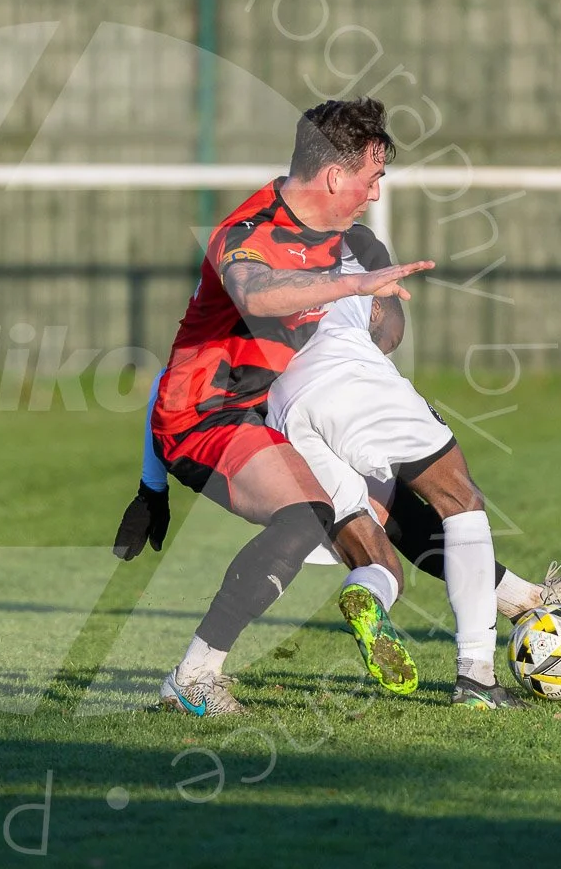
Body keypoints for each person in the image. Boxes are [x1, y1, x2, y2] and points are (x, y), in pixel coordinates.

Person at [116, 230, 561, 713]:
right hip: (347, 378)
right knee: (457, 498)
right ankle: (477, 678)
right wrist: (382, 314)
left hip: (285, 413)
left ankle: (506, 597)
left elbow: (172, 380)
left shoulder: (246, 267)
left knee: (384, 534)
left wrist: (151, 486)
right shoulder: (355, 248)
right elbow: (389, 328)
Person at [147, 99, 434, 716]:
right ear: (335, 176)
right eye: (372, 177)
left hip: (279, 408)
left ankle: (521, 604)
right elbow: (259, 293)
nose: (374, 193)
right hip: (208, 415)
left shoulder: (346, 242)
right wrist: (353, 286)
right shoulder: (247, 233)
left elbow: (386, 329)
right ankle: (193, 676)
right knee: (307, 515)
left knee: (403, 484)